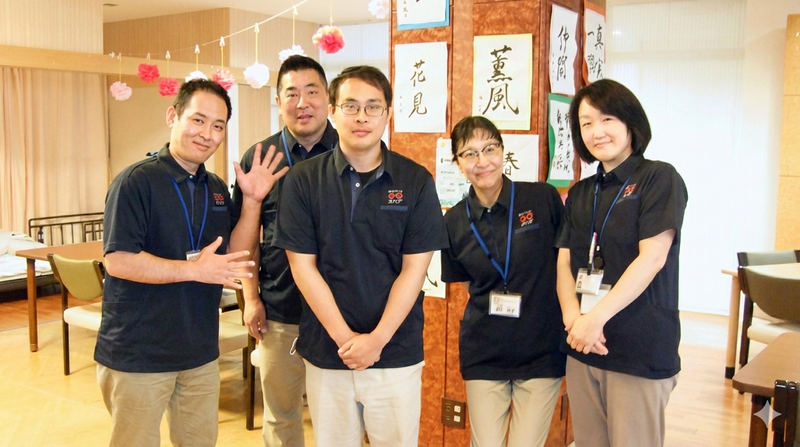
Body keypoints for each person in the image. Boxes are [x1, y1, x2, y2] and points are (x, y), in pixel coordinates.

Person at [96, 79, 288, 447]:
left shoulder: (214, 187)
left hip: (199, 350)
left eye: (218, 126)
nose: (207, 134)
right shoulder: (136, 182)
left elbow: (235, 254)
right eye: (198, 120)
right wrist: (194, 270)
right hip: (139, 353)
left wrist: (252, 202)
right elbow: (118, 260)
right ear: (173, 116)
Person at [274, 65, 448, 446]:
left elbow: (414, 271)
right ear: (333, 112)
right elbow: (303, 269)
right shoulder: (303, 181)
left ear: (388, 114)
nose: (362, 117)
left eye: (373, 107)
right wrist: (347, 341)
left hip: (395, 353)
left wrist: (377, 340)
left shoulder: (416, 181)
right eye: (350, 106)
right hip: (327, 353)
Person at [555, 79, 688, 447]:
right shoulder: (581, 192)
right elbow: (564, 263)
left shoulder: (658, 178)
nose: (597, 131)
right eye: (586, 123)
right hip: (583, 345)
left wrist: (594, 319)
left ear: (631, 123)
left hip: (637, 348)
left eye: (607, 119)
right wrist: (574, 320)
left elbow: (653, 258)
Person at [441, 116, 566, 447]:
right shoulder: (454, 221)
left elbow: (565, 264)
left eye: (489, 149)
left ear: (502, 151)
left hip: (540, 350)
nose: (482, 161)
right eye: (469, 154)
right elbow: (466, 283)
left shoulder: (541, 199)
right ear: (457, 163)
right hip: (485, 352)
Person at [233, 55, 337, 447]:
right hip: (280, 312)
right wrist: (251, 298)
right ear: (278, 102)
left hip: (342, 315)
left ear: (328, 99)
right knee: (280, 418)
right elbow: (246, 240)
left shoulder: (351, 152)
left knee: (339, 420)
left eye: (312, 92)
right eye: (291, 94)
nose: (302, 102)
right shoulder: (260, 157)